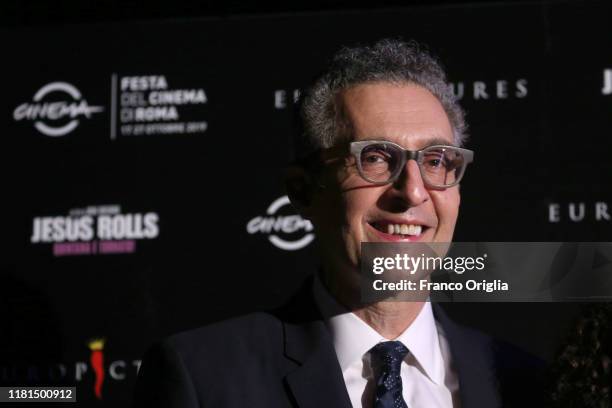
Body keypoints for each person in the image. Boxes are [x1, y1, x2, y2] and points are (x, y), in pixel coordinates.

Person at [133, 38, 540, 408]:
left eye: (435, 162)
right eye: (376, 158)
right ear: (304, 190)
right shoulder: (203, 378)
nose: (413, 192)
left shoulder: (527, 384)